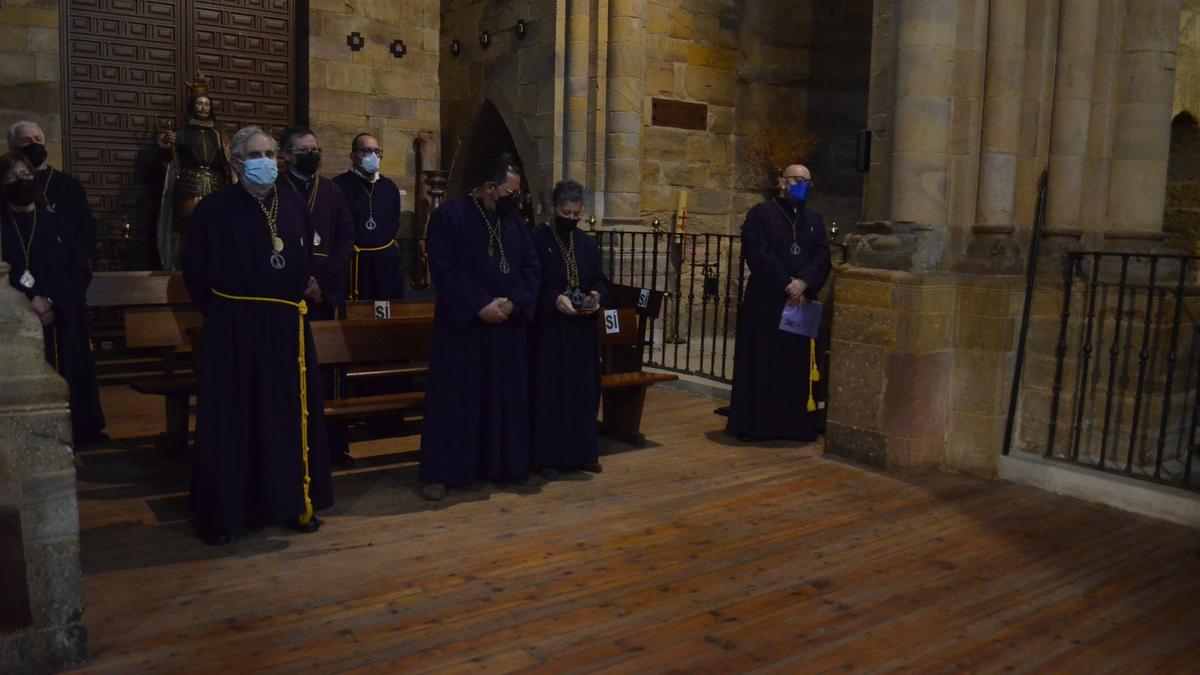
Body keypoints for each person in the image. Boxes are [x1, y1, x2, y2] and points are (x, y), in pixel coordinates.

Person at [183, 126, 333, 545]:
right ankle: (226, 513)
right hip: (234, 327)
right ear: (234, 162)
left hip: (287, 328)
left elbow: (302, 261)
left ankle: (290, 504)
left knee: (286, 419)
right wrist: (230, 314)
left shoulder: (294, 204)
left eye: (270, 152)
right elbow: (196, 272)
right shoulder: (213, 210)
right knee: (235, 419)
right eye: (256, 154)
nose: (266, 161)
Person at [418, 153, 541, 500]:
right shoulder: (449, 216)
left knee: (503, 399)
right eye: (510, 192)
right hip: (465, 331)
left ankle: (505, 465)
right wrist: (478, 305)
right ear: (489, 187)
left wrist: (514, 302)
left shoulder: (513, 220)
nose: (515, 199)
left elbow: (531, 267)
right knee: (457, 400)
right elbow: (443, 269)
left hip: (506, 327)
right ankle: (443, 472)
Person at [0, 152, 107, 445]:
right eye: (10, 176)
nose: (19, 181)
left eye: (24, 174)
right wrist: (25, 305)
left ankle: (78, 433)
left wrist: (50, 300)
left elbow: (80, 267)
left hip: (62, 318)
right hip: (11, 325)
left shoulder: (58, 222)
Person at [726, 163, 831, 442]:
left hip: (801, 303)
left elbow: (822, 257)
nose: (802, 185)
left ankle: (795, 425)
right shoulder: (761, 215)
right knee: (765, 363)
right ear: (782, 182)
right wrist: (787, 282)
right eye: (797, 179)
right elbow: (757, 253)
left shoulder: (814, 220)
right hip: (768, 301)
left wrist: (804, 282)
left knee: (796, 367)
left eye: (807, 181)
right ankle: (761, 425)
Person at [528, 180, 606, 478]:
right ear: (554, 209)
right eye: (566, 213)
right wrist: (553, 299)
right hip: (549, 331)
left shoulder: (586, 243)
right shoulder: (538, 239)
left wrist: (597, 296)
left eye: (577, 215)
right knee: (551, 394)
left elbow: (599, 279)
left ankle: (582, 453)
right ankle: (548, 457)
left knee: (582, 393)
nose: (571, 219)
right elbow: (531, 282)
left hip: (581, 333)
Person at [156, 74, 233, 270]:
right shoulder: (182, 134)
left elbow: (226, 162)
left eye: (207, 104)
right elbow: (166, 151)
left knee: (216, 227)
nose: (204, 108)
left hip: (216, 184)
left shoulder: (217, 135)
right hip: (192, 185)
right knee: (189, 228)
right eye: (200, 104)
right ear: (193, 106)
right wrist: (166, 141)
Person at [278, 126, 354, 321]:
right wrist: (300, 282)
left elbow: (345, 238)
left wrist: (323, 283)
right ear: (286, 154)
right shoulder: (276, 189)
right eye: (304, 151)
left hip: (325, 289)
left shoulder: (331, 189)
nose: (311, 155)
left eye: (315, 150)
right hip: (287, 288)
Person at [7, 121, 98, 257]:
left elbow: (85, 228)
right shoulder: (9, 183)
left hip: (63, 263)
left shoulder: (68, 184)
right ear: (13, 149)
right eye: (26, 141)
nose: (34, 144)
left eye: (38, 139)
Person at [333, 133, 406, 300]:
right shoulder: (338, 186)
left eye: (377, 151)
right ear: (353, 155)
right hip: (354, 262)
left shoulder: (389, 187)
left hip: (385, 262)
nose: (373, 156)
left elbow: (394, 220)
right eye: (366, 151)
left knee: (387, 312)